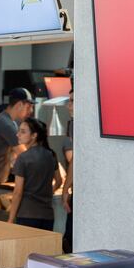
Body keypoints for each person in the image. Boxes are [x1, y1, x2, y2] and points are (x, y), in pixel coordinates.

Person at [7, 118, 62, 231]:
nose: (18, 134)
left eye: (23, 132)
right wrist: (47, 194)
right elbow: (59, 181)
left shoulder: (23, 158)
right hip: (47, 215)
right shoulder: (51, 155)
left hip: (27, 214)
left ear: (34, 135)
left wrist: (11, 219)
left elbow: (18, 192)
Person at [61, 89, 74, 252]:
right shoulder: (72, 124)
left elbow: (74, 160)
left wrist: (65, 189)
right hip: (78, 192)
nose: (68, 106)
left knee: (70, 242)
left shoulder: (77, 124)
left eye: (72, 101)